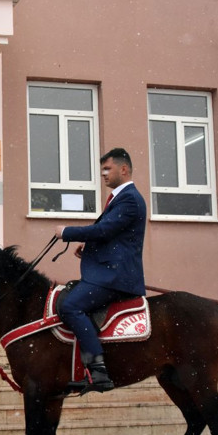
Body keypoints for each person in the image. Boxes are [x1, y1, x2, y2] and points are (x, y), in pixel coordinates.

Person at [55, 148, 146, 394]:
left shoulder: (129, 199)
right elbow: (112, 233)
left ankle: (98, 370)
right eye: (102, 169)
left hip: (116, 278)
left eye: (108, 169)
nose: (103, 174)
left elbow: (104, 230)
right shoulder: (121, 198)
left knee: (70, 306)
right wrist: (89, 246)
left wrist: (68, 233)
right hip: (109, 272)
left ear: (123, 169)